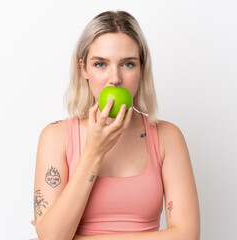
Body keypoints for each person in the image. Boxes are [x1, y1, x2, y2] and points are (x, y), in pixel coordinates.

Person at [32, 10, 200, 240]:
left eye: (127, 64)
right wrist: (94, 151)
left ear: (141, 68)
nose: (114, 79)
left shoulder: (167, 137)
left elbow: (187, 236)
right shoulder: (55, 137)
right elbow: (51, 237)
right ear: (83, 69)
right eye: (100, 64)